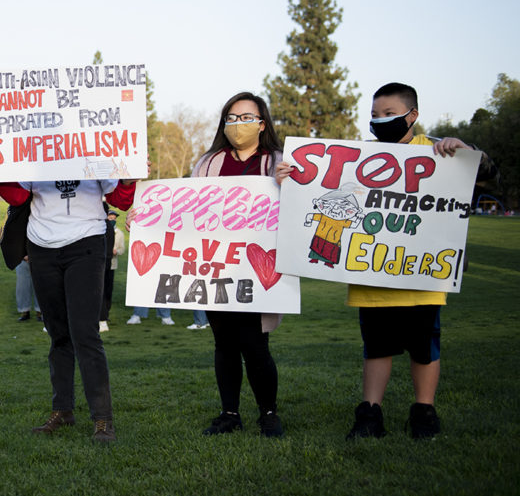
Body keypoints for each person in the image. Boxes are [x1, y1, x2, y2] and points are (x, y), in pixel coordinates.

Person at [277, 82, 496, 440]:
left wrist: (469, 150)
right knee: (376, 348)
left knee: (425, 348)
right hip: (371, 278)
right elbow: (316, 190)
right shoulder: (359, 157)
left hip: (422, 278)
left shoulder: (437, 150)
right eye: (375, 115)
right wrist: (290, 179)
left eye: (389, 113)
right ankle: (370, 414)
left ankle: (424, 412)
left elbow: (488, 172)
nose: (380, 120)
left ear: (413, 115)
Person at [0, 177, 136, 443]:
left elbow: (120, 200)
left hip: (86, 242)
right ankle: (63, 410)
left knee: (85, 334)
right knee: (58, 334)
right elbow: (16, 196)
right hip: (41, 245)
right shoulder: (34, 143)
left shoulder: (95, 143)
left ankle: (102, 419)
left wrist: (128, 178)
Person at [193, 92, 285, 438]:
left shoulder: (277, 162)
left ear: (262, 124)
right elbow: (187, 210)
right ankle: (229, 413)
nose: (238, 125)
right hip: (217, 264)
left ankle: (269, 413)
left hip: (258, 268)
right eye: (232, 117)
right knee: (224, 343)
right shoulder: (209, 163)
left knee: (255, 344)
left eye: (247, 117)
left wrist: (290, 184)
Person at [98, 209, 125, 332]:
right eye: (110, 218)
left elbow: (121, 249)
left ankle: (104, 315)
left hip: (110, 264)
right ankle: (101, 317)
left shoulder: (118, 233)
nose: (112, 220)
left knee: (107, 290)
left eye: (114, 218)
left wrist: (116, 252)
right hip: (101, 263)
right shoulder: (101, 229)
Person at [15, 257, 41, 322]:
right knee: (22, 287)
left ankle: (40, 313)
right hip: (21, 259)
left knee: (40, 286)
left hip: (39, 258)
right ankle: (25, 312)